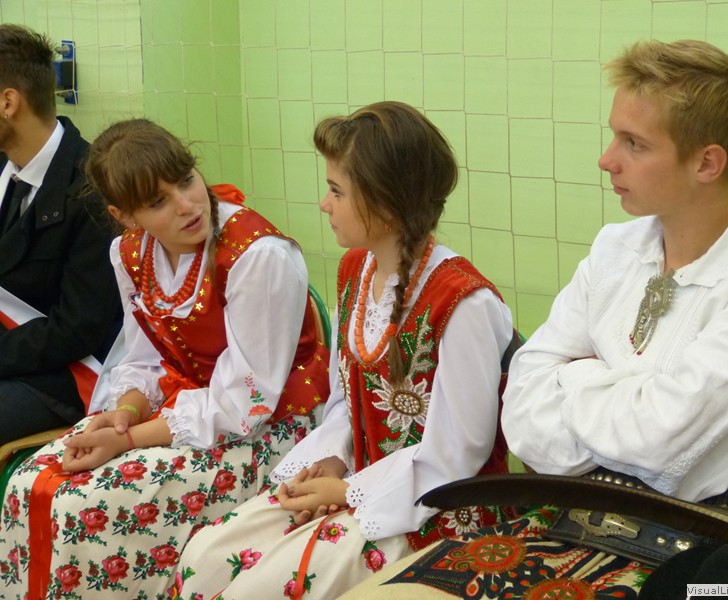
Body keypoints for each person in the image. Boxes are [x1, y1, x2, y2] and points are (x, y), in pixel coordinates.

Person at [342, 39, 728, 599]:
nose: (607, 160)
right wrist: (633, 396)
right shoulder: (615, 248)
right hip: (571, 515)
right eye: (614, 136)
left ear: (707, 162)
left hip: (714, 543)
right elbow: (523, 413)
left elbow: (670, 453)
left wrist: (574, 378)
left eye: (634, 143)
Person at [169, 101, 516, 599]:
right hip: (360, 483)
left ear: (386, 205)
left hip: (434, 512)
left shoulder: (463, 303)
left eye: (336, 191)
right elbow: (344, 403)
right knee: (205, 557)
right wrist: (331, 463)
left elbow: (457, 456)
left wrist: (350, 492)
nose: (324, 204)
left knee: (258, 589)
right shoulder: (356, 270)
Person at [0, 118, 330, 599]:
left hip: (271, 426)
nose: (187, 204)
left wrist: (127, 439)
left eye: (186, 180)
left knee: (85, 506)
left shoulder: (256, 255)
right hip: (185, 412)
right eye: (158, 202)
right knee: (30, 482)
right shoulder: (130, 253)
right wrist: (123, 413)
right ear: (124, 216)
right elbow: (144, 357)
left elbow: (246, 403)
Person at [0, 24, 121, 443]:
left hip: (62, 374)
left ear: (8, 102)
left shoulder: (92, 188)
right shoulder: (5, 166)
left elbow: (77, 329)